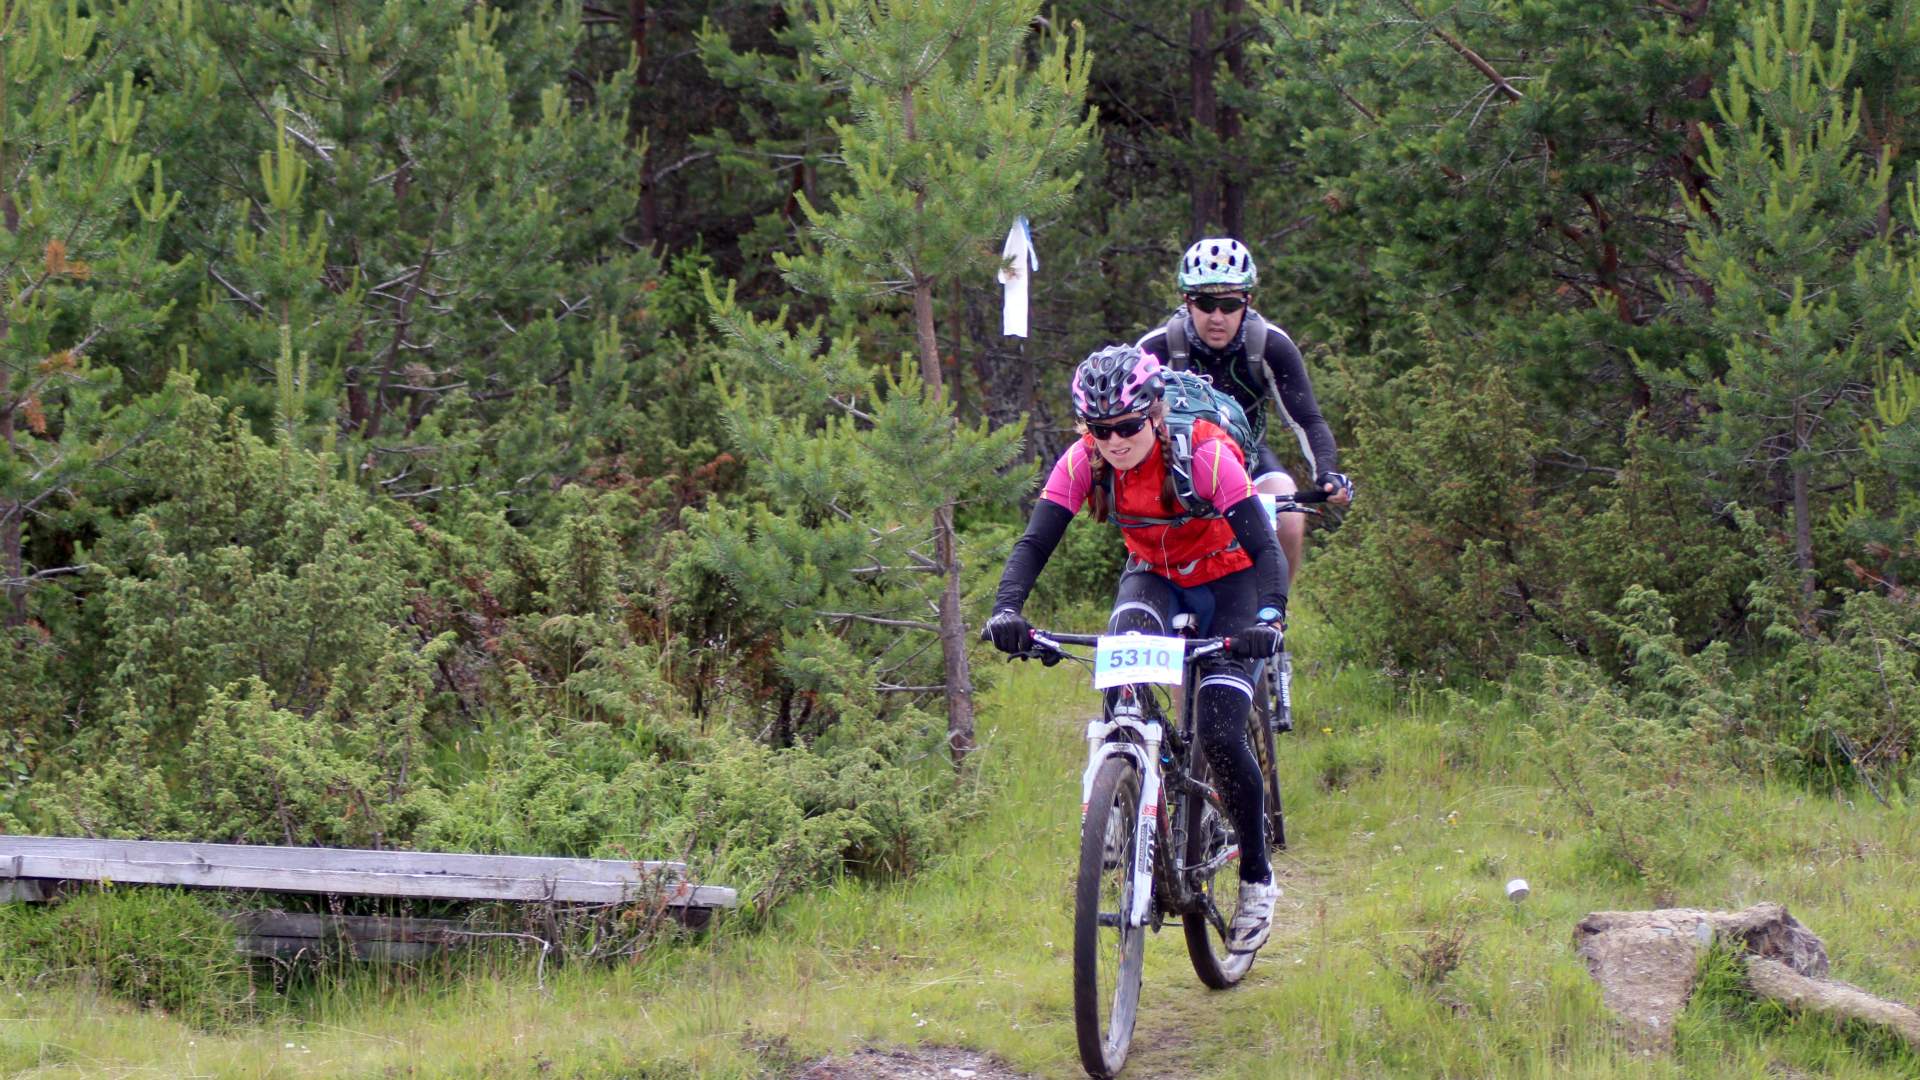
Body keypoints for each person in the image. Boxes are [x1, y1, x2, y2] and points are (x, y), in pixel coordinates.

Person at [984, 344, 1288, 955]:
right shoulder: (1084, 462)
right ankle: (1121, 804)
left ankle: (1256, 879)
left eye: (1126, 426)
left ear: (1153, 413)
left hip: (1232, 582)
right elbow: (1035, 542)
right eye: (1100, 430)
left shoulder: (1205, 454)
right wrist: (1007, 611)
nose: (1115, 441)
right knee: (1119, 684)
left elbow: (1268, 552)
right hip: (1153, 575)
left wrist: (1269, 618)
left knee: (1223, 734)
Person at [1136, 238, 1351, 729]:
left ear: (1247, 301)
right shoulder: (1158, 348)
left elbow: (1307, 419)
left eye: (1230, 303)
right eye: (1205, 303)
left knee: (1290, 515)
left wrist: (1327, 472)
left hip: (1247, 464)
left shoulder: (1267, 344)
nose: (1217, 316)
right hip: (1180, 475)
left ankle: (1269, 619)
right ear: (1186, 301)